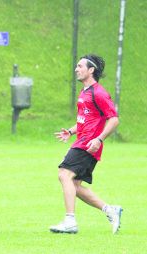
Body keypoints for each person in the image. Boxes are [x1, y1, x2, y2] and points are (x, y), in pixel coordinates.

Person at [49, 54, 122, 234]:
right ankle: (111, 210)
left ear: (91, 70)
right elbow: (86, 119)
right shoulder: (85, 92)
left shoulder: (99, 93)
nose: (76, 69)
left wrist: (99, 139)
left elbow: (114, 120)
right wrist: (71, 131)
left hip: (88, 145)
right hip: (82, 140)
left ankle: (70, 221)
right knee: (74, 186)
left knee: (64, 175)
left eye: (80, 66)